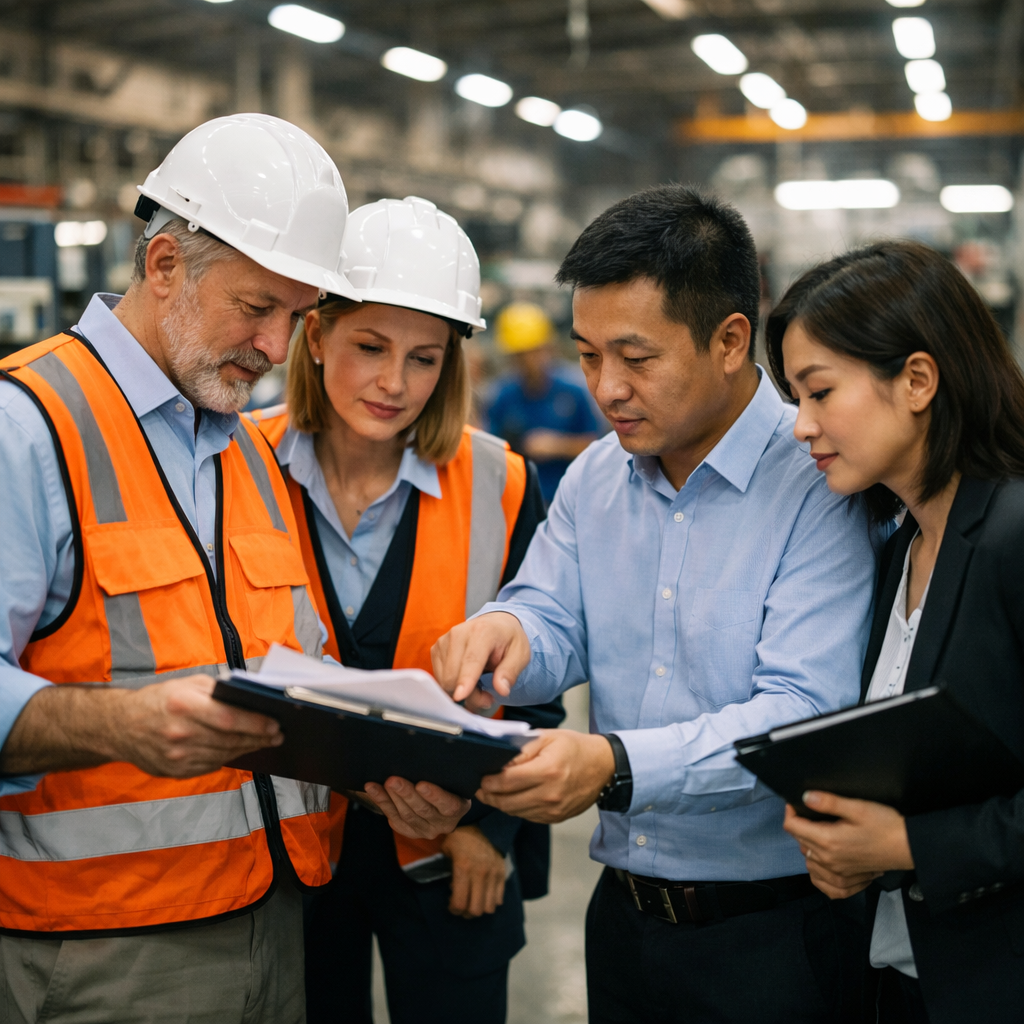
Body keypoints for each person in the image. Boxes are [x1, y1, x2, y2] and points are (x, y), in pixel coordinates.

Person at [0, 116, 464, 1024]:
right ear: (164, 263)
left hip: (273, 922)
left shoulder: (244, 450)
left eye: (296, 316)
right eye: (257, 308)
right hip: (102, 951)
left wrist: (385, 755)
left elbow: (296, 665)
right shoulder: (29, 428)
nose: (275, 344)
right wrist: (119, 725)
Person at [431, 184, 881, 1023]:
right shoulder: (600, 476)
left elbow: (800, 713)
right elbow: (553, 612)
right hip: (626, 923)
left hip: (775, 937)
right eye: (588, 355)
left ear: (729, 340)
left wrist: (614, 765)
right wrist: (506, 630)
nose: (605, 388)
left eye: (636, 359)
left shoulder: (819, 480)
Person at [249, 196, 561, 1024]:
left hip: (450, 858)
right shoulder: (236, 468)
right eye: (369, 347)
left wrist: (486, 830)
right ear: (314, 337)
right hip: (289, 863)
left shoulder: (503, 484)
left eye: (425, 358)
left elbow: (533, 690)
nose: (395, 383)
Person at [771, 240, 1024, 1024]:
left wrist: (910, 846)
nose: (800, 426)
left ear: (916, 379)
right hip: (906, 980)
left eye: (819, 392)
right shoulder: (900, 548)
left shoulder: (1014, 536)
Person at [486, 301, 599, 503]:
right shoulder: (504, 396)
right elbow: (491, 449)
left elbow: (598, 447)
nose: (526, 362)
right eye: (518, 356)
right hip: (519, 499)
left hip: (567, 498)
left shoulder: (572, 392)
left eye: (530, 353)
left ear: (547, 348)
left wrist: (557, 446)